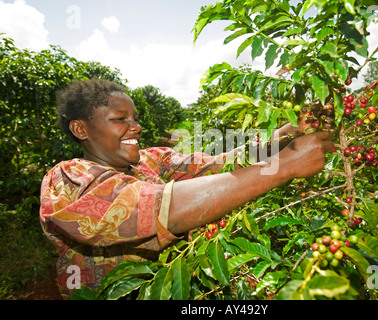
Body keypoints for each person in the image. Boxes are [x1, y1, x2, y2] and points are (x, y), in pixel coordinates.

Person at [39, 78, 334, 299]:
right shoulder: (67, 178)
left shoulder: (150, 160)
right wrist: (284, 166)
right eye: (120, 120)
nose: (136, 127)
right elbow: (159, 209)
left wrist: (287, 133)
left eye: (135, 118)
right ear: (81, 129)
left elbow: (221, 163)